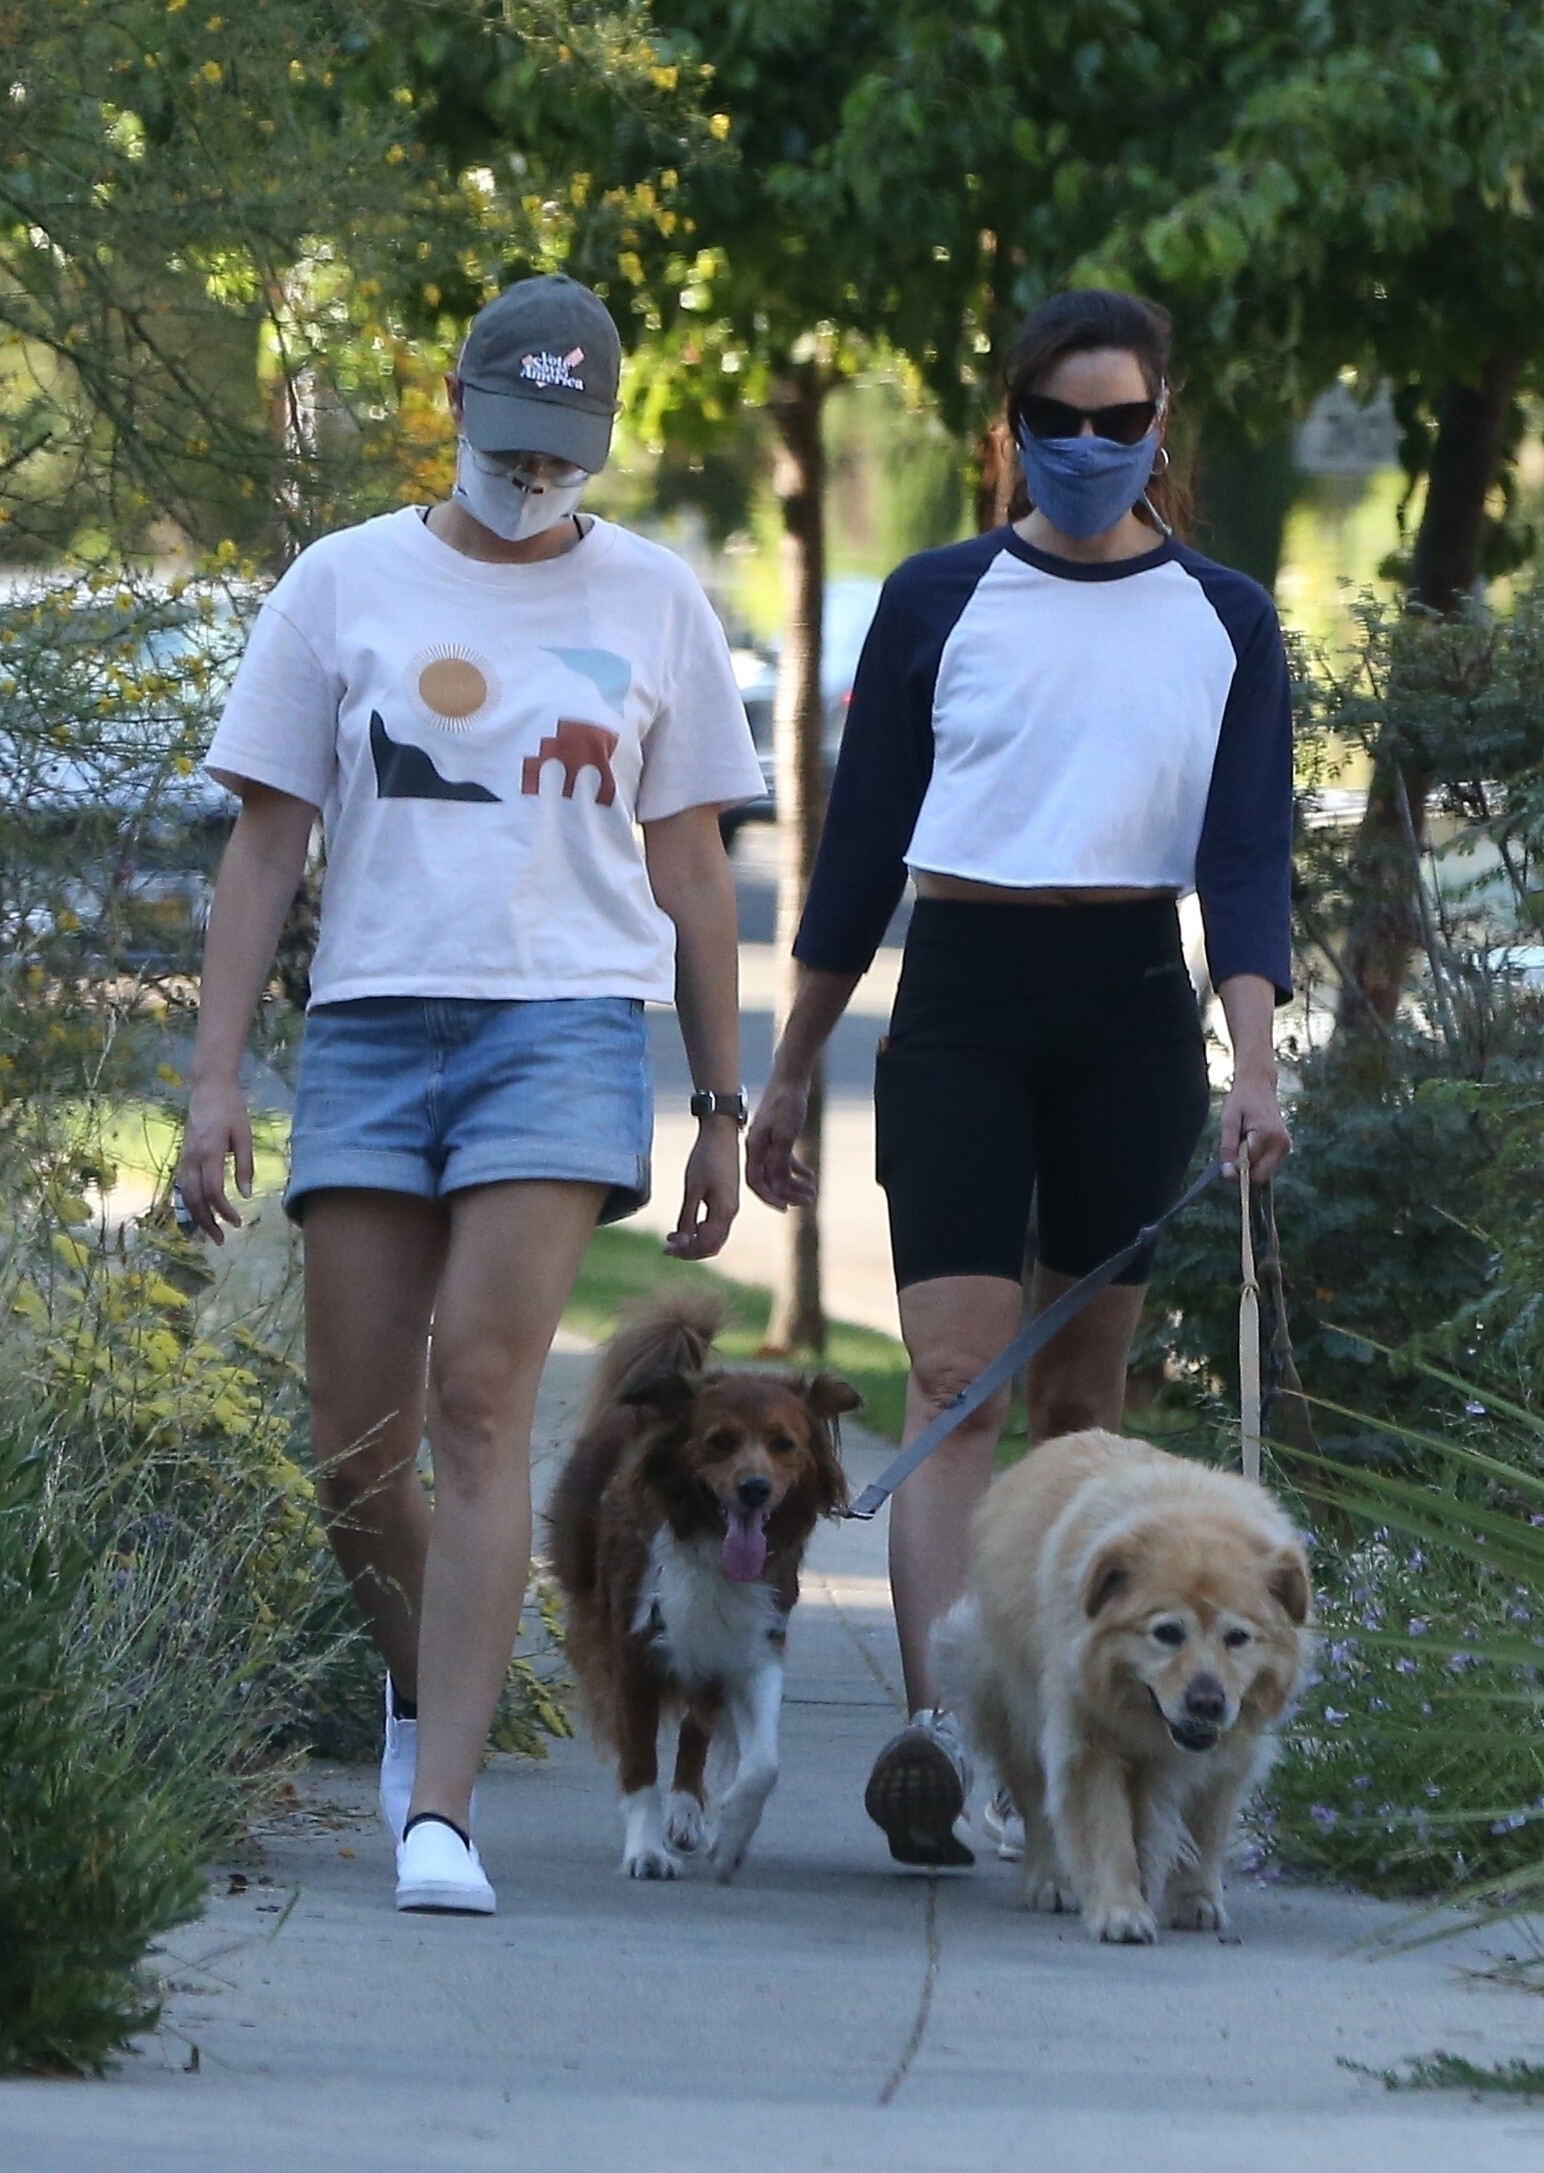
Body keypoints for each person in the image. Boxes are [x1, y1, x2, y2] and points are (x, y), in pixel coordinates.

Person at [177, 273, 765, 1914]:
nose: (533, 475)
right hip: (371, 1022)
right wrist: (215, 1078)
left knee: (482, 1398)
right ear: (454, 405)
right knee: (354, 1450)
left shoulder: (655, 599)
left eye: (564, 449)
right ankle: (429, 1679)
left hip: (562, 1029)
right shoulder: (342, 581)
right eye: (511, 443)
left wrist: (723, 1103)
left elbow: (692, 869)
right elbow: (267, 843)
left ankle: (440, 1813)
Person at [746, 288, 1294, 1869]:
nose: (1088, 446)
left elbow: (1245, 860)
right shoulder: (936, 597)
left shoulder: (1225, 616)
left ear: (1160, 428)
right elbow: (860, 853)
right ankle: (945, 1730)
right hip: (964, 998)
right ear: (1015, 431)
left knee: (1076, 1402)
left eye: (1118, 421)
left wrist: (1256, 1066)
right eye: (1058, 420)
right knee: (954, 1380)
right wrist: (787, 1072)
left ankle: (1065, 1746)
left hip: (1129, 1006)